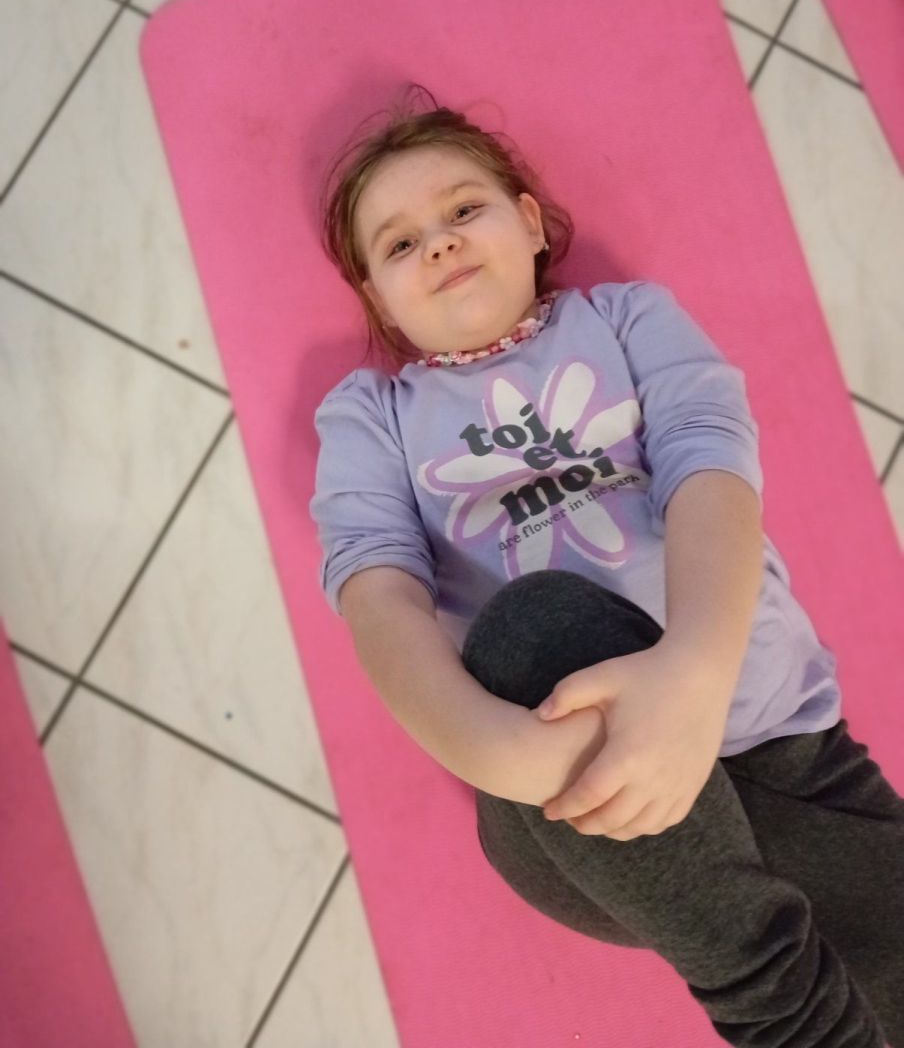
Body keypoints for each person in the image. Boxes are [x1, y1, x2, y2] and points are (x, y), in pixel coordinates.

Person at [309, 84, 903, 1046]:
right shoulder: (369, 417)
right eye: (402, 243)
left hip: (777, 742)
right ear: (377, 297)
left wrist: (691, 679)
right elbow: (377, 598)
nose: (441, 244)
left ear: (530, 223)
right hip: (574, 791)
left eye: (463, 210)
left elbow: (712, 468)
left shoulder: (628, 318)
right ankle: (780, 1016)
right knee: (538, 621)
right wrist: (497, 753)